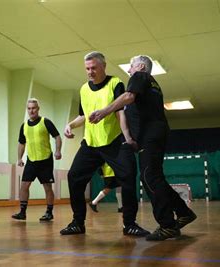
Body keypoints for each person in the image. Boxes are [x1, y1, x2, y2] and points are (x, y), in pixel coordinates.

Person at [89, 55, 197, 241]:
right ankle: (183, 212)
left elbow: (129, 97)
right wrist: (130, 137)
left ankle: (167, 225)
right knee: (155, 177)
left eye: (130, 67)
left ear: (140, 66)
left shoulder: (140, 76)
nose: (129, 70)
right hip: (155, 134)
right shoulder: (152, 83)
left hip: (151, 136)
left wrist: (104, 111)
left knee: (149, 177)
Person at [60, 51, 149, 237]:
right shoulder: (84, 89)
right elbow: (83, 115)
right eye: (87, 68)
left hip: (113, 142)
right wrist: (70, 125)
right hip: (90, 144)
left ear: (103, 66)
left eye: (94, 68)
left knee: (128, 175)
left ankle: (129, 224)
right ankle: (77, 222)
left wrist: (127, 137)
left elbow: (120, 112)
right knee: (74, 177)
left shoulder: (115, 83)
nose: (90, 72)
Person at [11, 98, 62, 222]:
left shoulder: (46, 122)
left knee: (47, 187)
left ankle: (49, 212)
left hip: (45, 160)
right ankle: (22, 212)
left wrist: (58, 151)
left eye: (33, 108)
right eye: (29, 108)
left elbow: (57, 136)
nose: (31, 110)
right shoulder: (24, 126)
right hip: (31, 161)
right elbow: (21, 143)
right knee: (24, 186)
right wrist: (19, 158)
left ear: (38, 109)